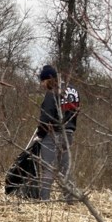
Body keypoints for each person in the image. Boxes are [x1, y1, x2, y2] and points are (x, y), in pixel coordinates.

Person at [34, 64, 80, 203]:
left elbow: (46, 117)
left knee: (47, 167)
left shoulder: (52, 92)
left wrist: (40, 135)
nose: (42, 85)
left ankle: (44, 199)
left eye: (43, 81)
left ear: (48, 78)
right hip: (69, 133)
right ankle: (70, 199)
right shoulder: (73, 91)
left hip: (53, 134)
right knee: (65, 168)